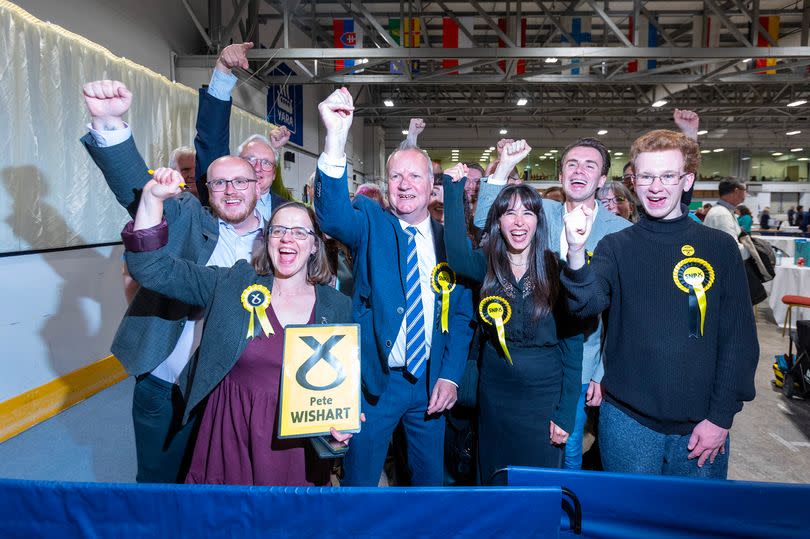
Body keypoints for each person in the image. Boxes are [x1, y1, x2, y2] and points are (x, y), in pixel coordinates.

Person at [80, 80, 268, 483]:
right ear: (205, 189)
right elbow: (136, 189)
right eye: (219, 182)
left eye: (241, 182)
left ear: (259, 187)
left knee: (227, 486)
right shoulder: (186, 217)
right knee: (157, 484)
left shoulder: (281, 241)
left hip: (238, 395)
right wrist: (110, 123)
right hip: (165, 383)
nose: (230, 191)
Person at [123, 168, 354, 485]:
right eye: (278, 230)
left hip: (296, 451)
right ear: (267, 239)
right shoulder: (231, 282)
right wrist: (150, 201)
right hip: (230, 435)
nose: (288, 238)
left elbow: (333, 397)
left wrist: (339, 432)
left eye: (300, 232)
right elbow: (151, 269)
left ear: (315, 245)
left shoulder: (338, 306)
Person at [561, 129, 758, 479]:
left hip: (702, 426)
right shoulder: (615, 246)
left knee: (695, 525)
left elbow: (738, 340)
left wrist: (720, 417)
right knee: (629, 522)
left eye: (668, 176)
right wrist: (576, 255)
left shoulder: (720, 248)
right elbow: (584, 305)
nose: (656, 187)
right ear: (634, 181)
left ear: (687, 180)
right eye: (647, 176)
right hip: (627, 422)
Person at [313, 88, 474, 486]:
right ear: (386, 184)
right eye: (396, 176)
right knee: (360, 483)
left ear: (431, 185)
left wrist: (451, 375)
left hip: (430, 384)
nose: (404, 184)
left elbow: (462, 313)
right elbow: (332, 216)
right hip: (375, 383)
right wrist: (335, 138)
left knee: (428, 486)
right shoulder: (371, 222)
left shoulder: (449, 241)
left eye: (414, 175)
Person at [474, 136, 630, 471]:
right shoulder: (541, 210)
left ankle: (560, 516)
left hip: (580, 360)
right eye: (572, 163)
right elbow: (484, 219)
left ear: (602, 180)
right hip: (525, 354)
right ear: (560, 174)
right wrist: (503, 166)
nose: (579, 171)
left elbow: (622, 312)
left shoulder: (620, 232)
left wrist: (605, 372)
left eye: (590, 165)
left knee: (566, 447)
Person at [443, 155, 582, 484]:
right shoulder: (485, 264)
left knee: (539, 485)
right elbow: (456, 254)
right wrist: (453, 191)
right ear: (499, 221)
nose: (519, 222)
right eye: (509, 213)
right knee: (494, 478)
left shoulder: (558, 270)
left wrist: (565, 414)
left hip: (544, 401)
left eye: (527, 212)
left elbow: (573, 348)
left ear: (538, 220)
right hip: (495, 398)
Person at [193, 42, 288, 215]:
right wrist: (223, 69)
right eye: (250, 159)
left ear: (274, 173)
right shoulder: (219, 200)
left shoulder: (288, 212)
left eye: (266, 162)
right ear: (237, 162)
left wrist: (274, 150)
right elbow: (211, 140)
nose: (258, 168)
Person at [703, 179, 750, 260]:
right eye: (745, 190)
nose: (746, 194)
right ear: (737, 191)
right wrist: (753, 251)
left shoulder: (724, 211)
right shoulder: (722, 214)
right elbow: (733, 250)